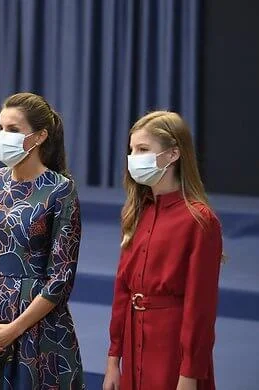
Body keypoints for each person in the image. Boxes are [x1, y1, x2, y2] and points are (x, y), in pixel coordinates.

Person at [0, 92, 85, 389]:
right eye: (1, 128)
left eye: (13, 130)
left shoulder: (60, 190)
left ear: (40, 136)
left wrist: (12, 330)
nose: (4, 136)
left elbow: (60, 278)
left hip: (36, 330)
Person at [102, 111, 223, 390]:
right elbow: (122, 290)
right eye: (131, 150)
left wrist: (189, 375)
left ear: (173, 155)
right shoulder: (136, 212)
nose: (133, 157)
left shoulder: (200, 220)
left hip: (171, 351)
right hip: (134, 343)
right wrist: (113, 360)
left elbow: (200, 309)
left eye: (143, 149)